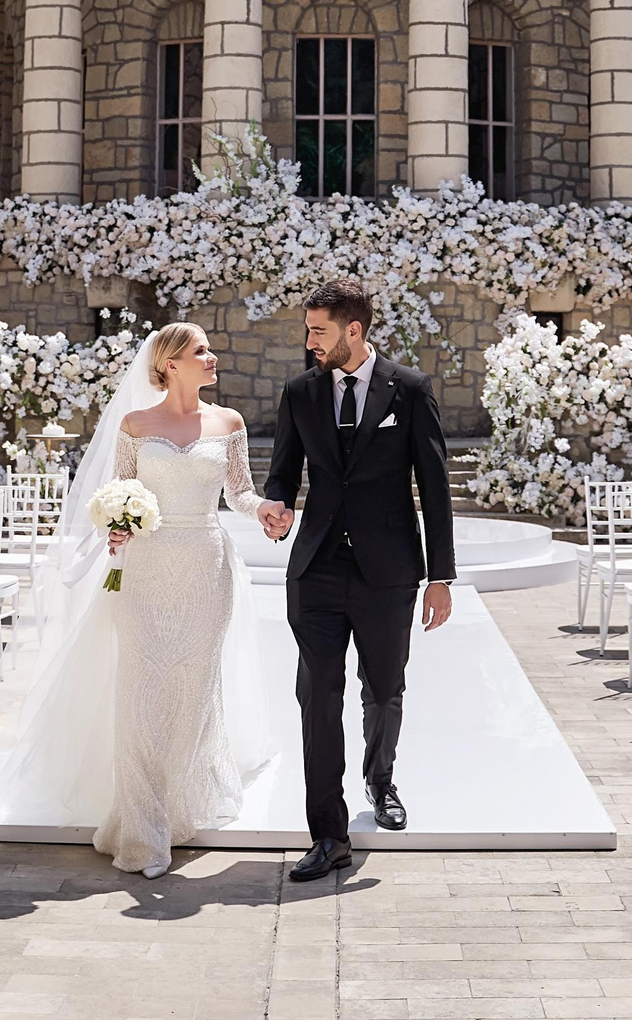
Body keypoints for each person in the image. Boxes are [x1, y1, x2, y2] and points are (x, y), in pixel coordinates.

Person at [0, 322, 276, 880]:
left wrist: (265, 509)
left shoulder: (228, 423)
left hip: (206, 567)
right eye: (201, 350)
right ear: (171, 363)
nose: (213, 356)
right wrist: (118, 528)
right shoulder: (135, 424)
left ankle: (176, 806)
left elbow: (239, 492)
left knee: (193, 692)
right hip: (145, 574)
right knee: (141, 696)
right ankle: (142, 831)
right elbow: (119, 493)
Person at [258, 278, 457, 882]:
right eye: (308, 330)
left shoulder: (410, 389)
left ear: (354, 330)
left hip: (389, 570)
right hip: (316, 568)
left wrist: (439, 576)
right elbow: (284, 470)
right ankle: (329, 835)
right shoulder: (300, 391)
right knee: (317, 695)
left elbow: (436, 485)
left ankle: (381, 779)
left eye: (319, 330)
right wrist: (276, 504)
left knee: (384, 688)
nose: (309, 341)